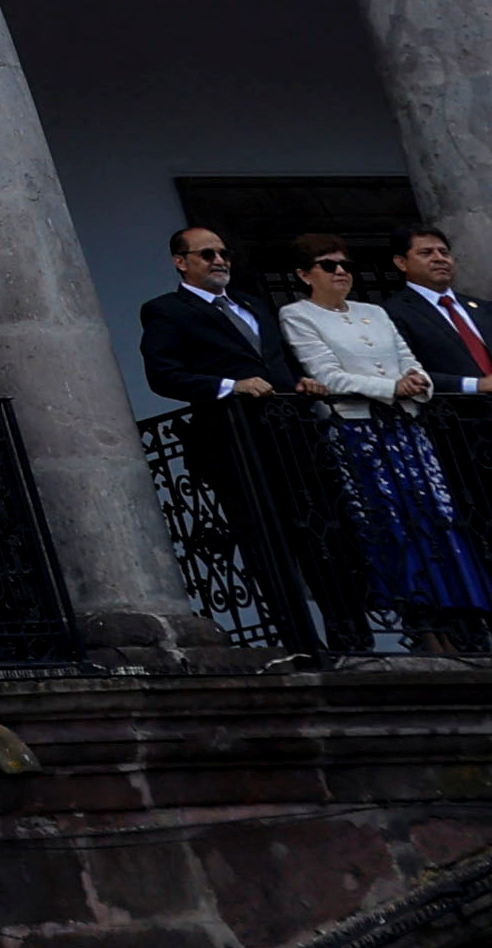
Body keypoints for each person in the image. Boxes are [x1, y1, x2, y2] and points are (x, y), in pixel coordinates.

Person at [146, 222, 352, 657]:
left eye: (223, 253)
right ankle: (300, 643)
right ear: (181, 262)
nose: (219, 261)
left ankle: (348, 638)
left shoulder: (254, 306)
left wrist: (302, 384)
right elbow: (164, 375)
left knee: (321, 536)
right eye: (206, 254)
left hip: (293, 441)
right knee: (266, 542)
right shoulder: (167, 310)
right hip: (235, 444)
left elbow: (280, 365)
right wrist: (229, 386)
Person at [283, 241, 492, 639]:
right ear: (303, 274)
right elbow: (326, 376)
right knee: (390, 523)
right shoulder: (297, 314)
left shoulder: (374, 311)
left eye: (346, 265)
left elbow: (410, 361)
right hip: (358, 431)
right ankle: (423, 629)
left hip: (407, 430)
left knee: (438, 518)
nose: (340, 272)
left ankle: (466, 624)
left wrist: (417, 383)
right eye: (327, 265)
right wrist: (391, 387)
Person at [382, 229, 492, 402]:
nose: (439, 258)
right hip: (456, 418)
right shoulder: (391, 312)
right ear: (401, 262)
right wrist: (478, 385)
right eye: (426, 253)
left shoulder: (485, 308)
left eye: (444, 252)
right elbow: (405, 373)